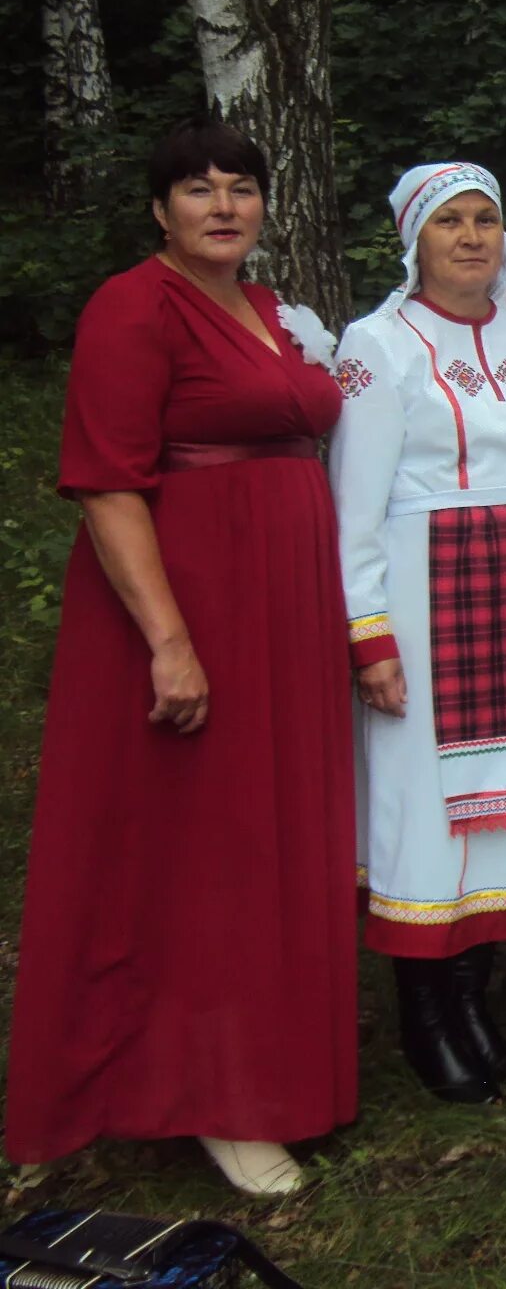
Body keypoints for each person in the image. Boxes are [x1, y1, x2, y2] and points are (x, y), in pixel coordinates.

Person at [4, 118, 355, 1197]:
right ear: (160, 210)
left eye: (240, 188)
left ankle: (280, 1072)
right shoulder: (132, 306)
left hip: (279, 612)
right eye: (196, 188)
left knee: (275, 835)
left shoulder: (262, 311)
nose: (221, 206)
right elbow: (108, 482)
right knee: (206, 852)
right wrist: (168, 643)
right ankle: (207, 1096)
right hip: (189, 606)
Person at [330, 162, 506, 1105]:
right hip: (427, 582)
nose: (471, 238)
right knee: (424, 806)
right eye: (449, 223)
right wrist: (370, 631)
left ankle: (476, 998)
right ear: (413, 240)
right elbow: (353, 503)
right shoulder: (377, 344)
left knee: (505, 800)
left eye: (485, 220)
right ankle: (426, 1014)